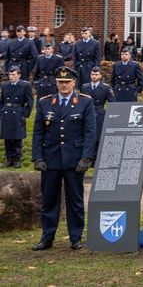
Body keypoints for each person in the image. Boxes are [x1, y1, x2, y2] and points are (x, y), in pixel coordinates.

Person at [31, 66, 96, 251]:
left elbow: (90, 132)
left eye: (67, 82)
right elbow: (38, 132)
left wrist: (86, 157)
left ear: (74, 83)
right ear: (56, 83)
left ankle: (75, 238)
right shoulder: (45, 103)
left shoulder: (84, 102)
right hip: (50, 159)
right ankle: (47, 237)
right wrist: (37, 157)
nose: (63, 85)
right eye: (60, 82)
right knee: (49, 200)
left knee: (74, 200)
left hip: (75, 160)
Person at [1, 66, 34, 168]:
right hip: (7, 112)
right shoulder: (5, 85)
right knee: (7, 137)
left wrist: (25, 114)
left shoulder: (25, 85)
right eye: (10, 75)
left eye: (13, 75)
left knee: (17, 137)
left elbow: (30, 102)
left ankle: (17, 158)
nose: (11, 77)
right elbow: (2, 101)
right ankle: (8, 158)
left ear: (19, 75)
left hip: (18, 112)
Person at [82, 66, 113, 156]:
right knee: (88, 135)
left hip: (99, 113)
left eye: (96, 74)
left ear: (100, 76)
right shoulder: (85, 87)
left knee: (98, 136)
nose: (94, 76)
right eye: (92, 74)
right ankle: (88, 156)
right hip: (88, 113)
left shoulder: (105, 87)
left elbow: (112, 102)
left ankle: (97, 157)